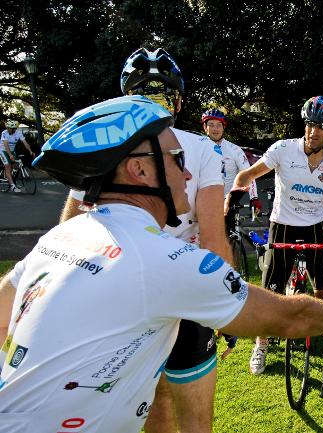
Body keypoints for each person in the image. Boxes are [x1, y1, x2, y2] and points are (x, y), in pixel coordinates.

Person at [0, 95, 323, 433]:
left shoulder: (59, 238)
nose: (189, 175)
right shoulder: (170, 262)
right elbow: (289, 317)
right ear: (139, 170)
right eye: (178, 159)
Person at [58, 48, 230, 433]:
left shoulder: (101, 139)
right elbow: (214, 239)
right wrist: (224, 305)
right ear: (179, 102)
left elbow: (71, 227)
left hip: (115, 291)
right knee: (194, 415)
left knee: (146, 405)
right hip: (182, 286)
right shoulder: (201, 148)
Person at [229, 95, 323, 379]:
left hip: (315, 228)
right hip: (282, 226)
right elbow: (246, 175)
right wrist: (233, 198)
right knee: (271, 292)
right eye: (309, 124)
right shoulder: (283, 149)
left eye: (321, 127)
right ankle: (261, 345)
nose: (313, 131)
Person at [201, 108, 262, 215]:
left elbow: (248, 174)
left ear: (224, 127)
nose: (215, 128)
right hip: (203, 199)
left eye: (219, 125)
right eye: (211, 124)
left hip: (227, 202)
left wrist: (254, 198)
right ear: (205, 127)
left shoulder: (234, 150)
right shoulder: (198, 148)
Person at [1, 120, 35, 193]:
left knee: (15, 166)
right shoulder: (4, 133)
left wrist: (30, 151)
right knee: (8, 167)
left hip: (12, 151)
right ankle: (13, 186)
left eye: (9, 128)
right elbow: (6, 145)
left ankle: (11, 179)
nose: (7, 129)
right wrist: (10, 155)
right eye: (7, 127)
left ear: (14, 129)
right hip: (3, 150)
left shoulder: (18, 133)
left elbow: (25, 142)